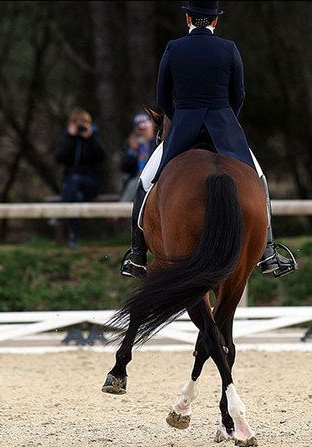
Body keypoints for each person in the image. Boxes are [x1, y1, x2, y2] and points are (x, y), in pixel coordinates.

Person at [119, 0, 297, 279]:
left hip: (182, 127)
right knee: (258, 180)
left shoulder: (174, 48)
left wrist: (179, 120)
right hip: (224, 128)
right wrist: (225, 119)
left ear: (188, 18)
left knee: (146, 180)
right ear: (215, 21)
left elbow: (164, 96)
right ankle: (269, 251)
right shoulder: (229, 48)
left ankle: (137, 255)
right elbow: (238, 95)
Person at [54, 107, 106, 248]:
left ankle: (60, 213)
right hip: (71, 186)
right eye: (76, 122)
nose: (80, 125)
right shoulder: (67, 139)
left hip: (91, 183)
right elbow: (59, 157)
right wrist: (70, 138)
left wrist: (90, 138)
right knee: (76, 196)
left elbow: (101, 157)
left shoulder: (94, 139)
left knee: (75, 180)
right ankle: (73, 238)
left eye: (83, 122)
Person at [119, 111, 157, 203]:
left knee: (136, 183)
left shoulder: (157, 142)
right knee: (134, 183)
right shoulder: (131, 143)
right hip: (136, 177)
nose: (142, 133)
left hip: (154, 177)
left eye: (145, 129)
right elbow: (124, 167)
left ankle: (119, 210)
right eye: (139, 129)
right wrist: (132, 152)